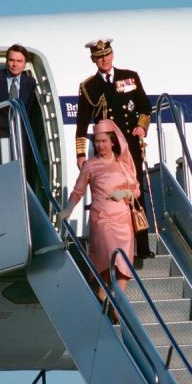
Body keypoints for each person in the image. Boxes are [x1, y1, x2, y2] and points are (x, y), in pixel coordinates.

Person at [75, 38, 154, 259]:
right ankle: (113, 248)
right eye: (99, 57)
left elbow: (145, 108)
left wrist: (141, 127)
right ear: (94, 60)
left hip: (130, 146)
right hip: (107, 152)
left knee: (135, 193)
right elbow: (81, 123)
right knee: (110, 196)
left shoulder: (129, 77)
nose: (104, 59)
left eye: (107, 55)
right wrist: (80, 154)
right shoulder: (89, 87)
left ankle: (143, 246)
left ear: (112, 55)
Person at [59, 119, 140, 306]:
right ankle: (103, 296)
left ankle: (119, 304)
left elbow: (136, 190)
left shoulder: (123, 163)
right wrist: (68, 209)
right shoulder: (90, 165)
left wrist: (125, 192)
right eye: (96, 141)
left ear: (113, 141)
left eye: (103, 141)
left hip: (123, 219)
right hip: (102, 219)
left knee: (123, 263)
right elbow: (78, 191)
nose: (99, 145)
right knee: (106, 258)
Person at [0, 44, 41, 184]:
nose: (14, 64)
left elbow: (29, 111)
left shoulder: (30, 83)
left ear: (25, 64)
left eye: (19, 61)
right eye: (11, 60)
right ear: (7, 61)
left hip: (21, 139)